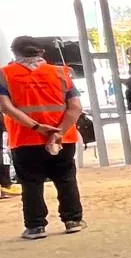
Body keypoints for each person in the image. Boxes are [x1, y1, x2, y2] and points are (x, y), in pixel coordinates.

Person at [0, 36, 86, 240]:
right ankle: (72, 220)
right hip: (63, 138)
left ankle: (35, 226)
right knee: (66, 178)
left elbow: (5, 107)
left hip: (24, 138)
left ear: (15, 52)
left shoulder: (4, 75)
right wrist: (59, 132)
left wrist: (38, 127)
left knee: (31, 182)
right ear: (41, 52)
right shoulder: (61, 72)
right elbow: (75, 107)